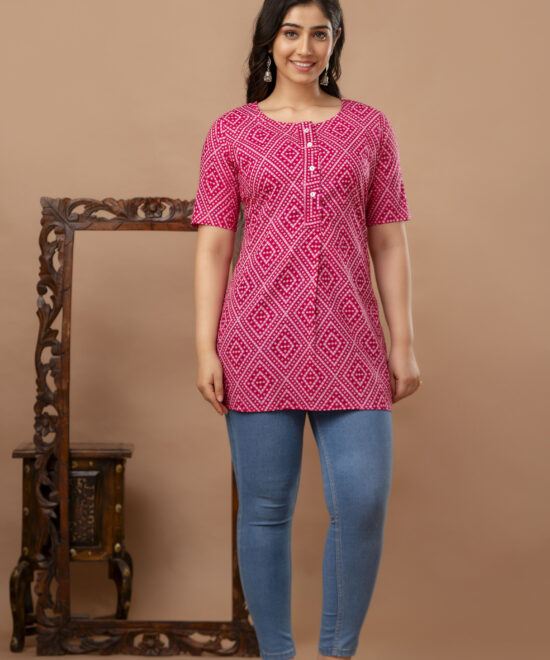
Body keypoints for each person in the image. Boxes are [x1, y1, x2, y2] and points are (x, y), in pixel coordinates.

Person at [191, 1, 422, 659]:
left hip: (353, 343)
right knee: (265, 512)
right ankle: (278, 655)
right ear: (270, 41)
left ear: (334, 41)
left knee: (363, 503)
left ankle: (336, 653)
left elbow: (388, 241)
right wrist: (204, 347)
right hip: (257, 342)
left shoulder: (370, 127)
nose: (305, 47)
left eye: (320, 33)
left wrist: (403, 344)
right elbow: (213, 246)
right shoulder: (231, 131)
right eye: (291, 32)